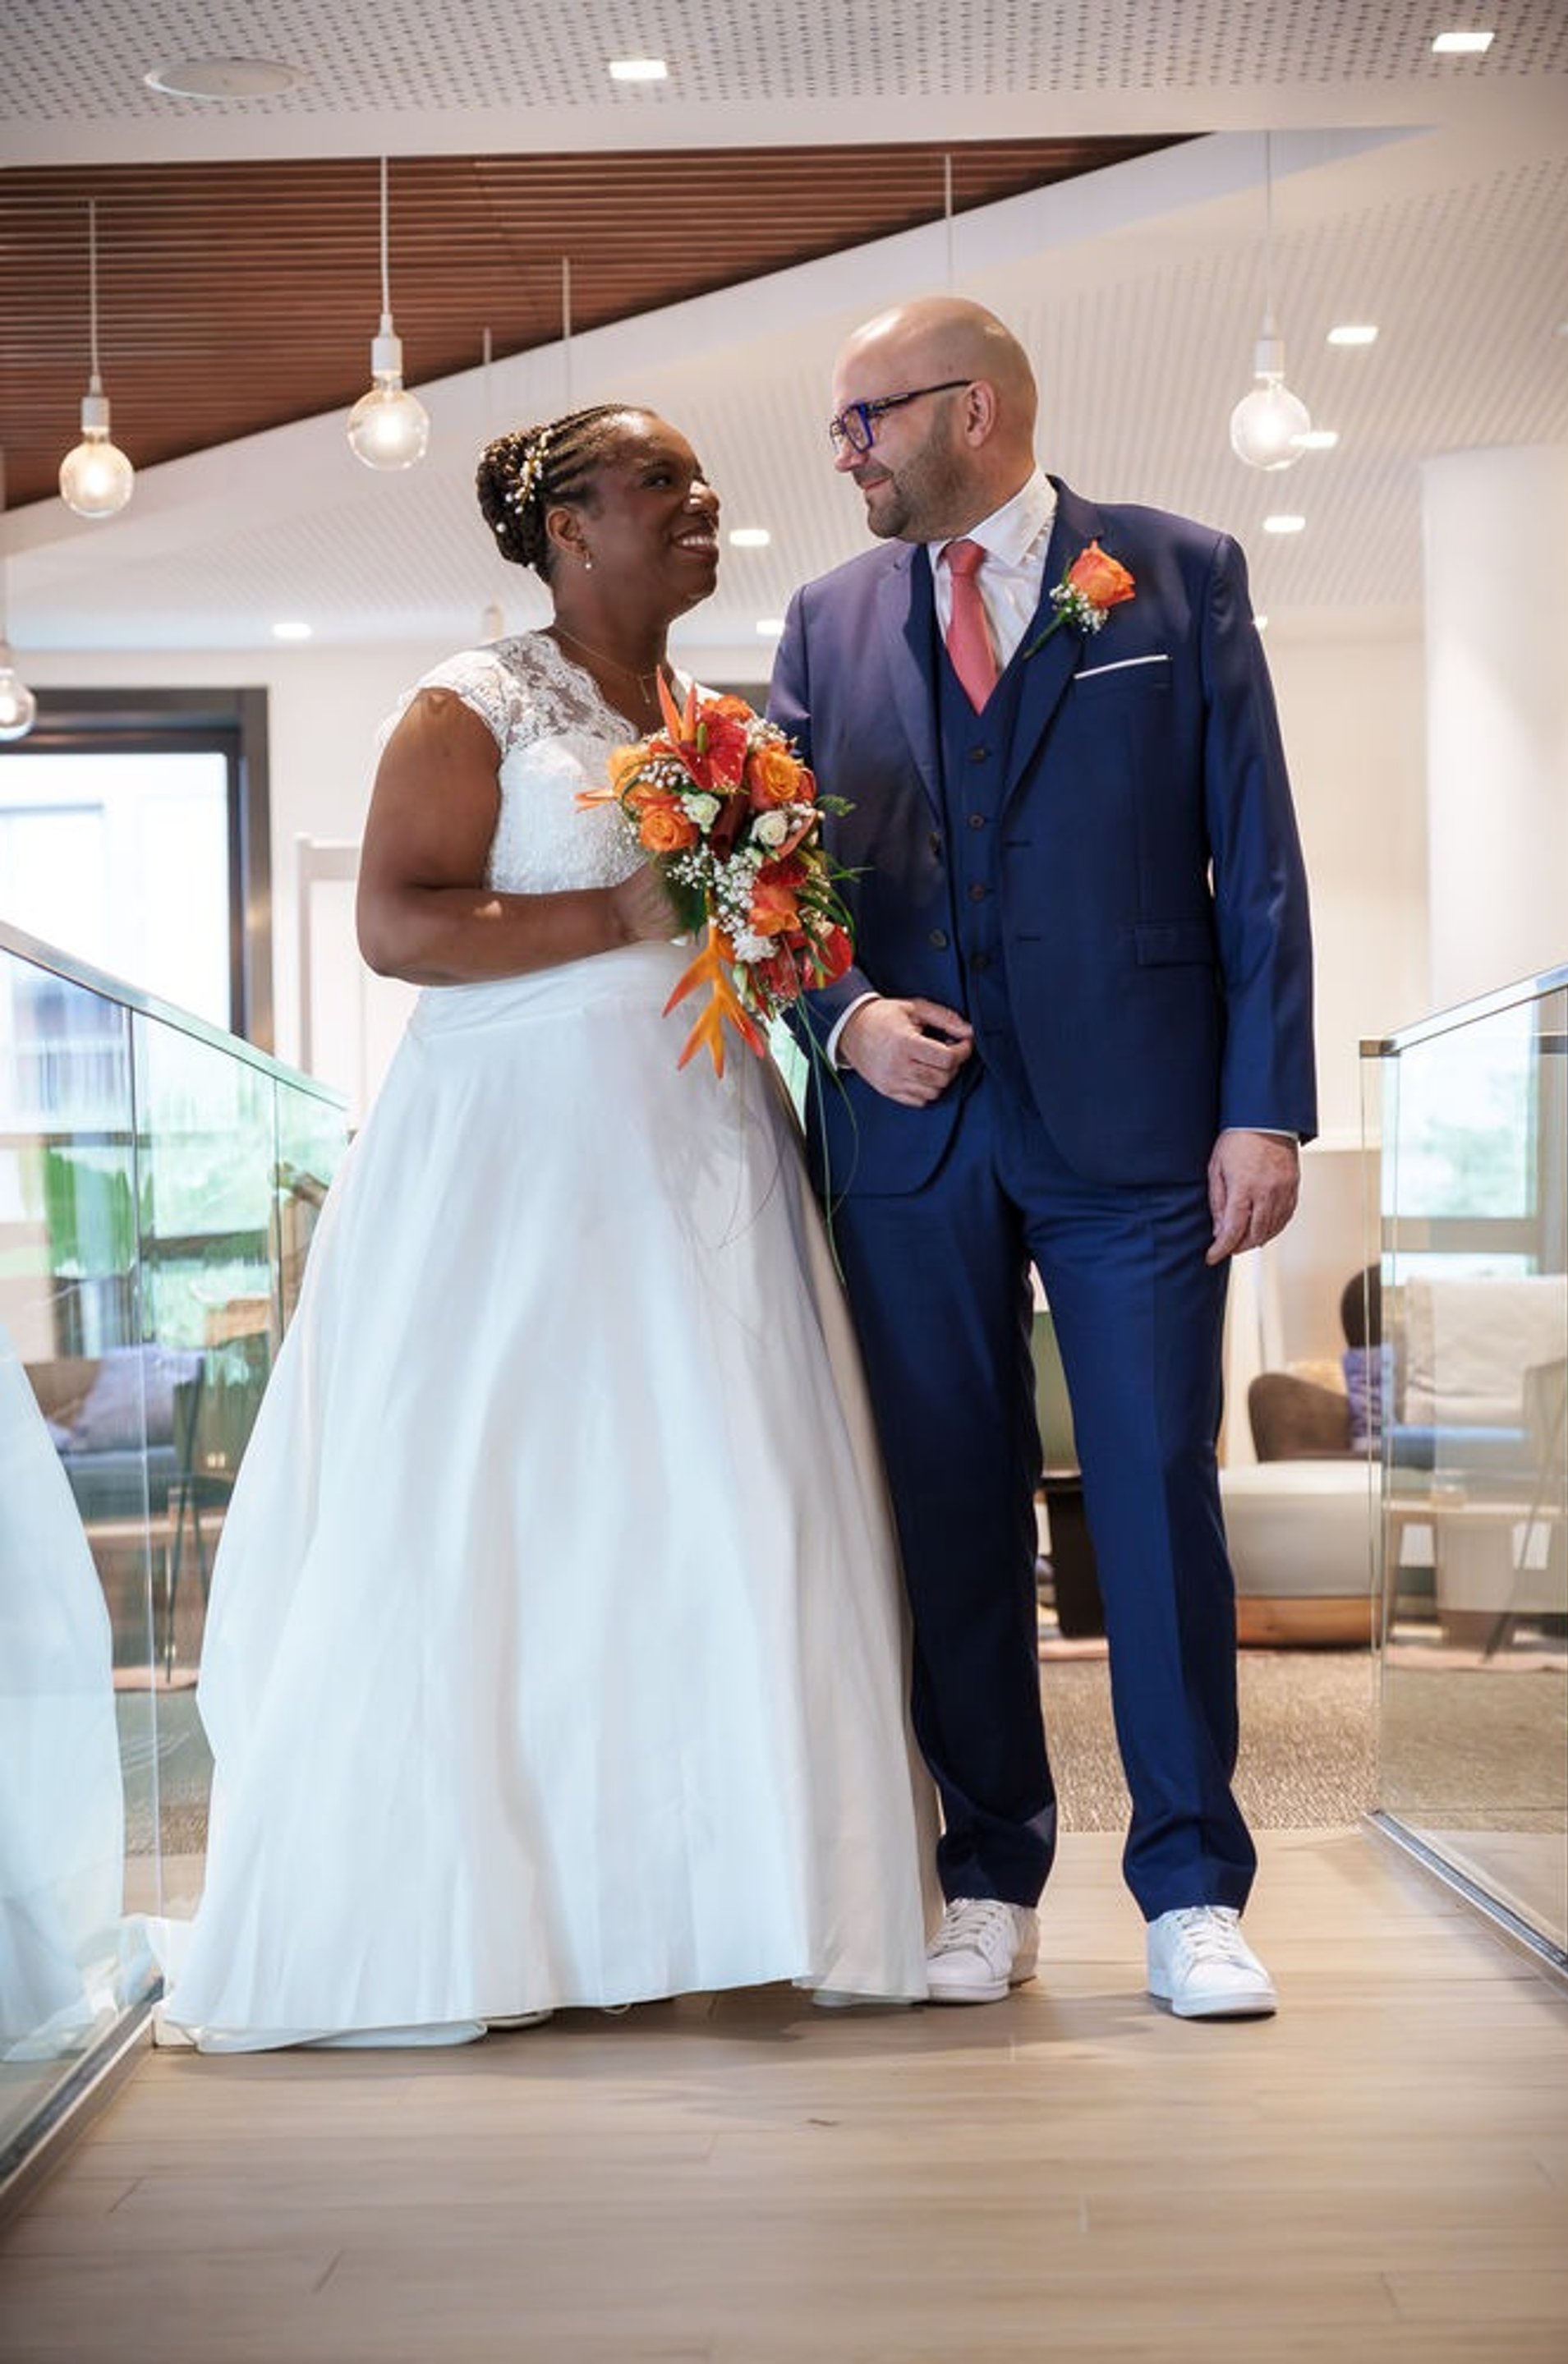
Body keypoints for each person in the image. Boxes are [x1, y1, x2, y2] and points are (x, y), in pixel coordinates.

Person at [157, 403, 933, 2050]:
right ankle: (481, 1915)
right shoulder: (470, 703)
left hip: (703, 1146)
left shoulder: (714, 718)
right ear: (570, 526)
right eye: (660, 479)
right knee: (507, 1498)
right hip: (514, 1154)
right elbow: (394, 923)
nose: (702, 497)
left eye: (701, 477)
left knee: (716, 1496)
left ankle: (728, 1898)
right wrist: (612, 910)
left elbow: (762, 931)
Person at [769, 297, 1316, 2020]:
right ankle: (990, 1872)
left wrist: (1264, 1103)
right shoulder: (826, 617)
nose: (843, 450)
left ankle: (1191, 1889)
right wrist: (843, 1015)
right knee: (947, 1500)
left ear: (970, 406)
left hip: (1146, 1122)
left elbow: (1263, 856)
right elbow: (774, 878)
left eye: (866, 418)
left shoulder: (1175, 571)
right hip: (912, 1133)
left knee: (1154, 1485)